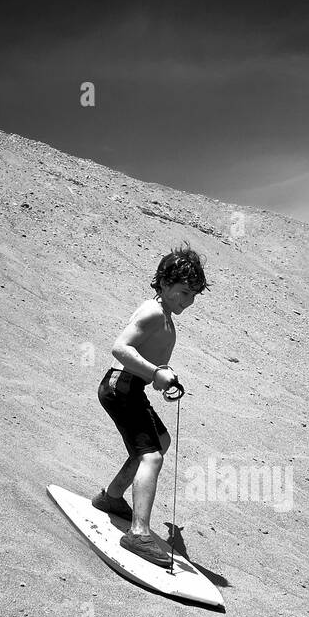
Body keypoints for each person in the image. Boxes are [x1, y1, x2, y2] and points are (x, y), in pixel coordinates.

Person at [94, 243, 209, 567]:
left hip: (133, 388)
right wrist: (157, 371)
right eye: (184, 292)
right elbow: (120, 348)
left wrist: (160, 374)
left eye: (193, 295)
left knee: (160, 441)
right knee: (152, 456)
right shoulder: (154, 311)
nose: (188, 300)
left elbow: (146, 358)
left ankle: (112, 498)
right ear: (164, 283)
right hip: (120, 388)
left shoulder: (165, 315)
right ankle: (139, 533)